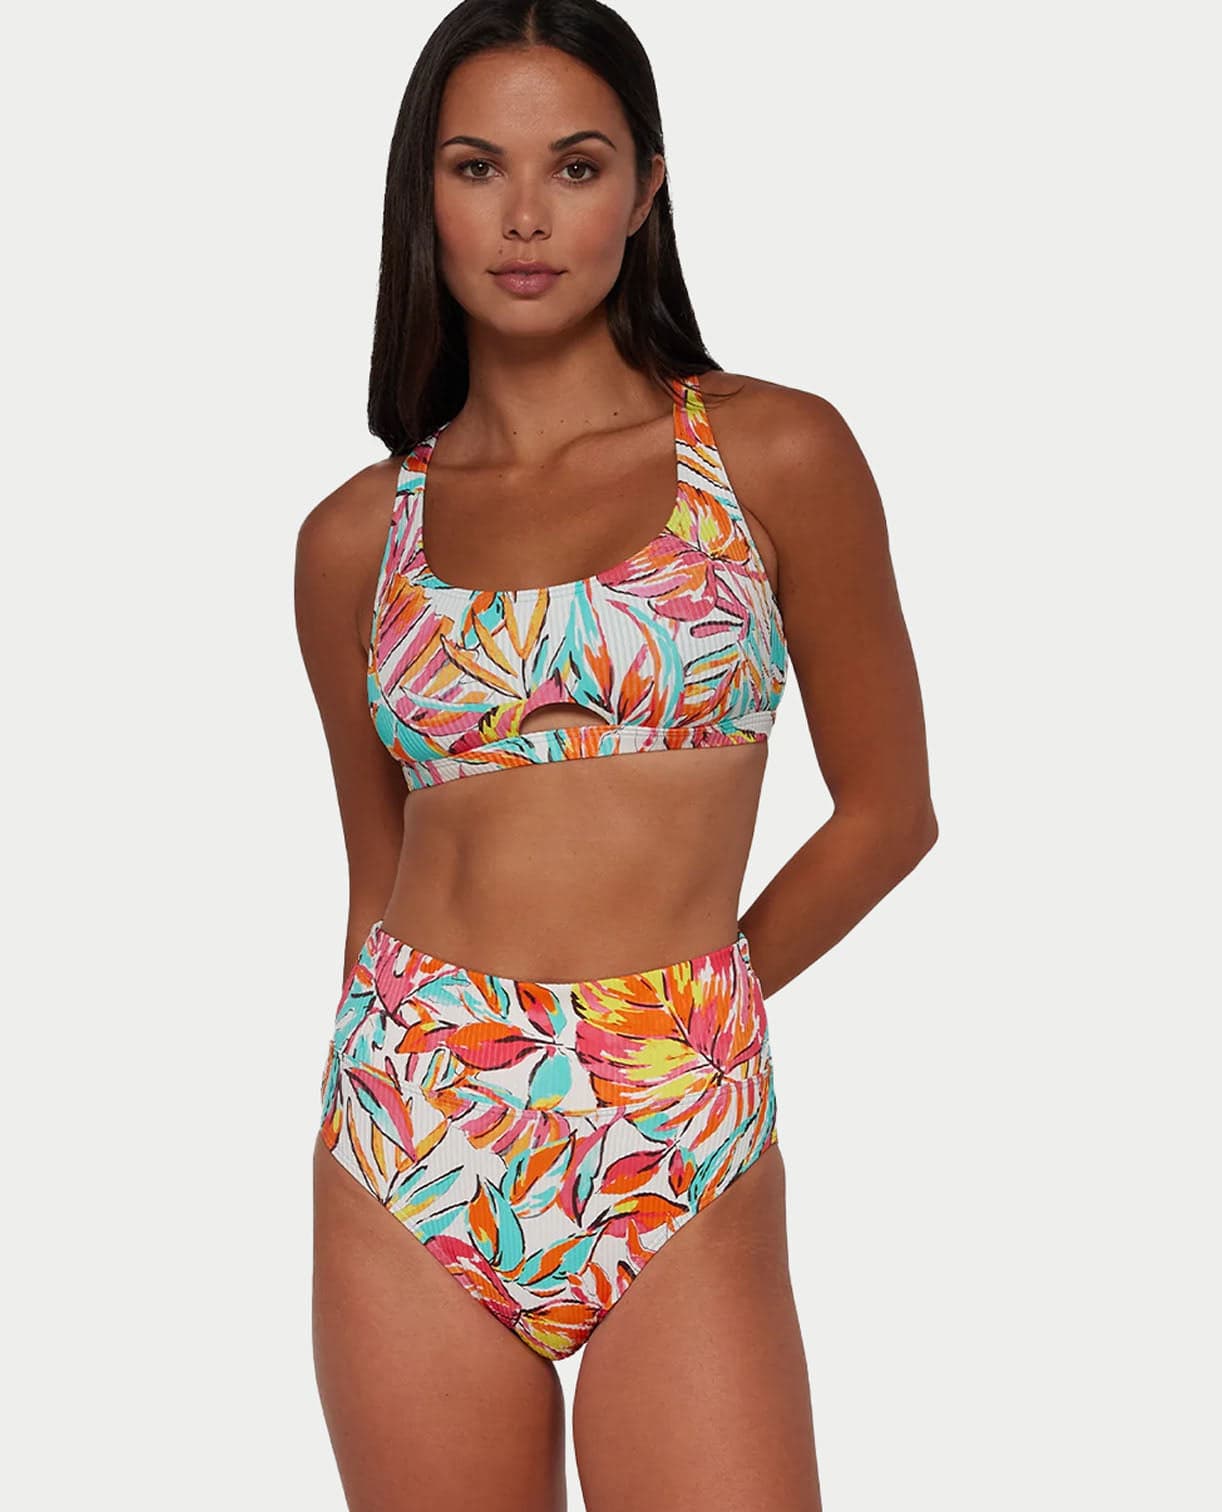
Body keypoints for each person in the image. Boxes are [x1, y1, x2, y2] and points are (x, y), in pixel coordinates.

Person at [295, 3, 937, 1507]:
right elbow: (375, 874)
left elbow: (890, 813)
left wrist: (700, 1010)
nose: (525, 215)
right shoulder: (354, 538)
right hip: (416, 1120)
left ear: (645, 189)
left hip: (676, 1095)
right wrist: (383, 1075)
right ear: (423, 192)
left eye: (574, 167)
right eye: (477, 167)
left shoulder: (770, 454)